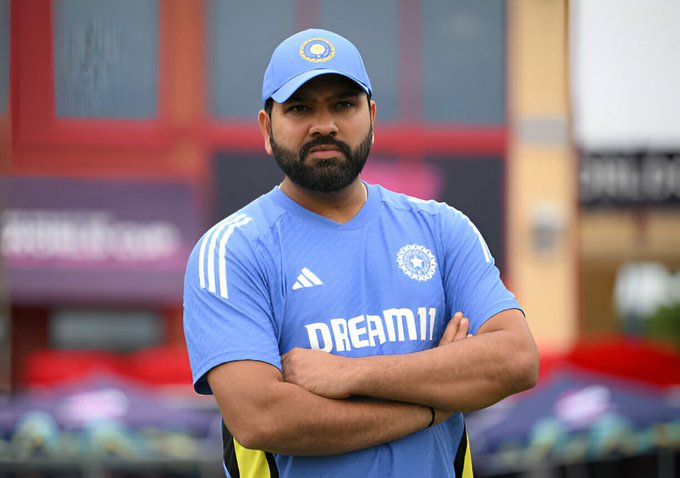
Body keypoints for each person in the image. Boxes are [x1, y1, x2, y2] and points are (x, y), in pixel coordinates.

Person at [183, 28, 539, 478]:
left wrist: (351, 374)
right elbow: (261, 416)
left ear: (372, 115)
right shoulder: (232, 250)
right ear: (266, 128)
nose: (324, 124)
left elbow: (516, 359)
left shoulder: (441, 228)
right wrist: (434, 404)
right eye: (299, 108)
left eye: (343, 104)